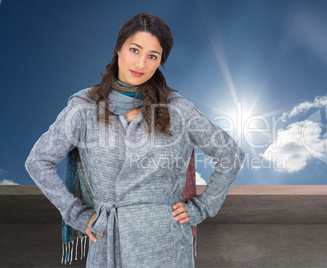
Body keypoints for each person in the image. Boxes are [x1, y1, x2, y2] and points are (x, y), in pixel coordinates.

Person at [25, 13, 245, 268]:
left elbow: (231, 154)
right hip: (109, 242)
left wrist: (202, 207)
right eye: (134, 50)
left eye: (153, 56)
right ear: (118, 49)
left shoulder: (177, 110)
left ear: (160, 62)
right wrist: (77, 214)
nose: (141, 63)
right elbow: (38, 161)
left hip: (167, 245)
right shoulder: (85, 108)